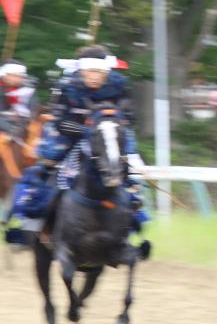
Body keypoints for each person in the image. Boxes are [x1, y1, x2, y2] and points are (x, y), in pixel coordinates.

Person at [9, 46, 146, 232]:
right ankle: (33, 214)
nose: (94, 76)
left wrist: (108, 129)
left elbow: (128, 118)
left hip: (109, 136)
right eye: (90, 71)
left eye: (99, 72)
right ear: (81, 70)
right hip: (72, 135)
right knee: (48, 161)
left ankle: (133, 210)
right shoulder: (67, 87)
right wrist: (88, 131)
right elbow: (60, 120)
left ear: (106, 72)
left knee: (133, 170)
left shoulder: (119, 88)